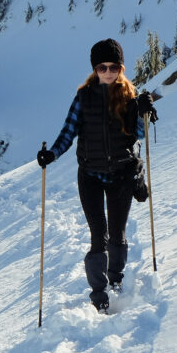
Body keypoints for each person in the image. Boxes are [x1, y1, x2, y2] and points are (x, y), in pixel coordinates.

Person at [36, 38, 157, 313]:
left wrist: (143, 111)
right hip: (90, 174)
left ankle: (115, 279)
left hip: (122, 175)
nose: (108, 72)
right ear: (95, 68)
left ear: (121, 68)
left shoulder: (129, 96)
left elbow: (139, 133)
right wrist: (52, 154)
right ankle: (99, 295)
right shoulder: (84, 96)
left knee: (117, 234)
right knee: (98, 235)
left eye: (113, 67)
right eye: (102, 67)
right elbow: (69, 131)